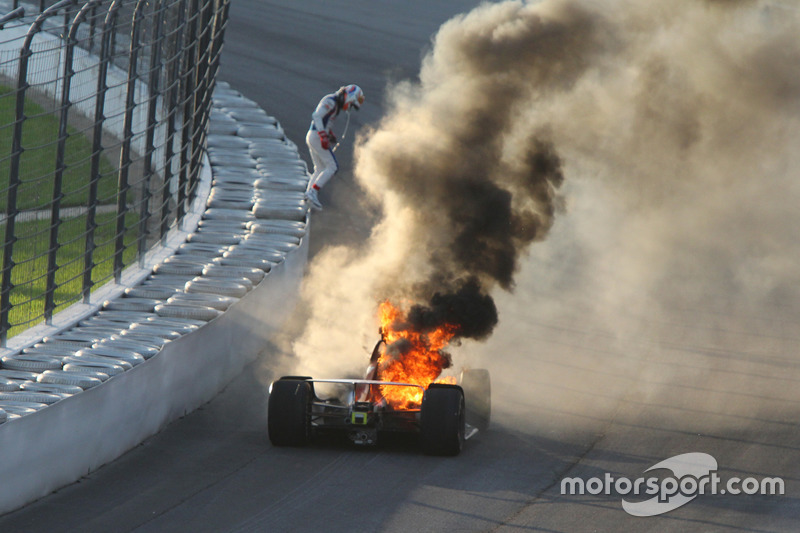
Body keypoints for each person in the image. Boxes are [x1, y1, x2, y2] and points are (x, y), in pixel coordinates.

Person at [304, 84, 365, 211]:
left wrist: (329, 134)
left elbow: (325, 121)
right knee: (332, 166)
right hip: (315, 136)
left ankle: (308, 195)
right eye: (351, 104)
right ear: (349, 97)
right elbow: (316, 116)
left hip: (314, 135)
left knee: (320, 168)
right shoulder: (330, 101)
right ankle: (313, 192)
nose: (349, 109)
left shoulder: (335, 105)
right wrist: (322, 135)